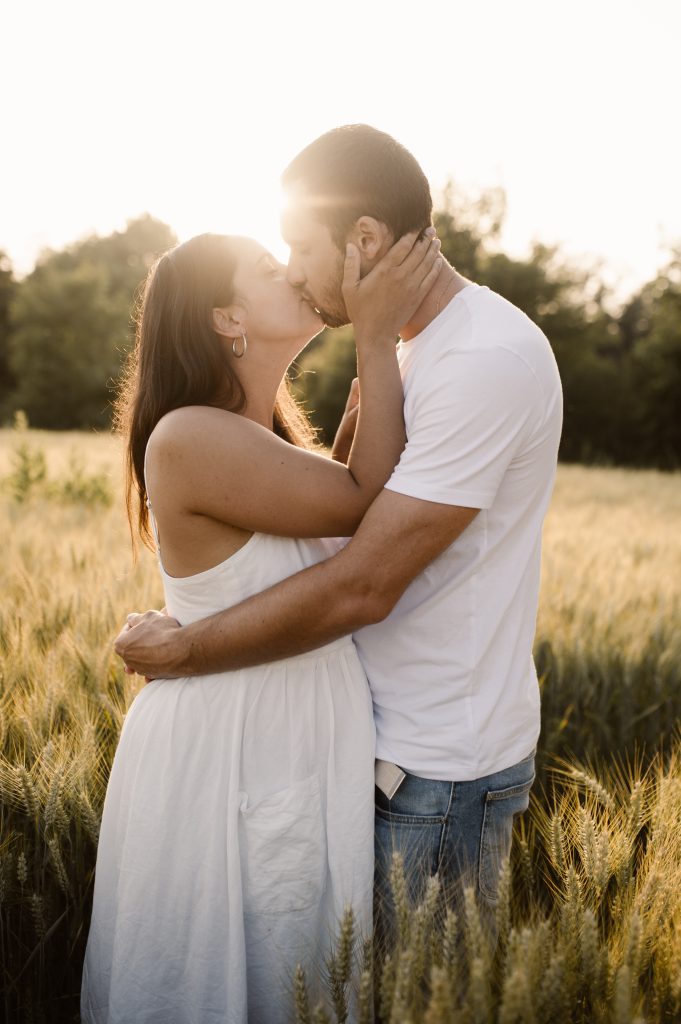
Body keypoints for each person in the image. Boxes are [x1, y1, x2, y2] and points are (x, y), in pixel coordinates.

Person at [116, 125, 563, 942]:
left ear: (363, 239)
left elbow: (362, 577)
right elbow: (334, 522)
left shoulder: (481, 359)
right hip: (345, 757)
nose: (290, 269)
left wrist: (190, 647)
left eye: (296, 245)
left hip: (431, 769)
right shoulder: (406, 357)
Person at [81, 227, 442, 1023]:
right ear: (225, 318)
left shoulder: (266, 438)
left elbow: (332, 536)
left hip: (283, 735)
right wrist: (375, 338)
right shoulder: (188, 433)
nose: (298, 274)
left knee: (289, 974)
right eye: (271, 269)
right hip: (235, 746)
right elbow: (363, 504)